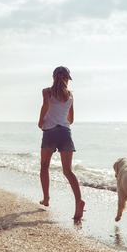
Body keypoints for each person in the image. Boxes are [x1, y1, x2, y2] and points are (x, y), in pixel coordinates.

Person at [38, 66, 85, 220]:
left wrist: (40, 122)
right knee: (67, 170)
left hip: (50, 132)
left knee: (45, 166)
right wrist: (62, 119)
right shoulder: (70, 95)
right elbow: (71, 120)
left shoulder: (47, 91)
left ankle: (46, 199)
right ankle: (78, 201)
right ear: (67, 79)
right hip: (65, 132)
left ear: (53, 77)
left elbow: (45, 106)